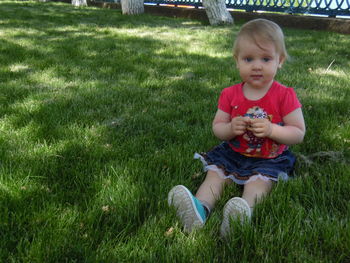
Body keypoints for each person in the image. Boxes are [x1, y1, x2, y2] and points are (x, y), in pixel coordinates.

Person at [168, 18, 306, 238]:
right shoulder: (229, 94)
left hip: (269, 158)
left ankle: (240, 216)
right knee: (214, 176)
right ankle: (199, 210)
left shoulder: (284, 95)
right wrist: (231, 128)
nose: (257, 65)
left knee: (258, 184)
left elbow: (298, 133)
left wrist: (272, 130)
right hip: (233, 152)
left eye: (266, 58)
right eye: (248, 59)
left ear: (280, 60)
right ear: (237, 61)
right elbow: (218, 128)